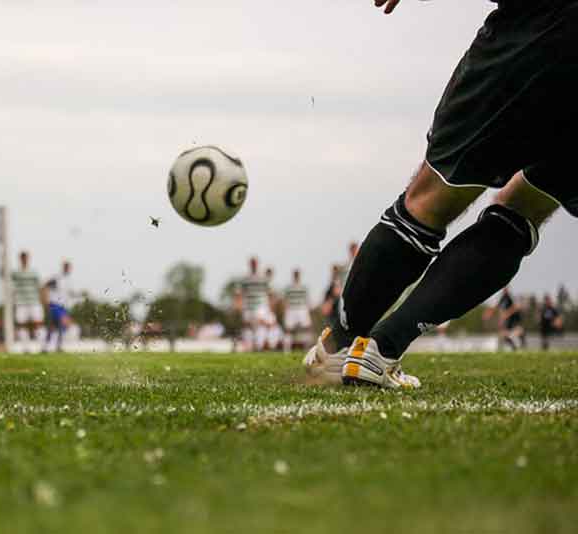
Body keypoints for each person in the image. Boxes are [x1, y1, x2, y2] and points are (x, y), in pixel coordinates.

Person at [305, 0, 577, 388]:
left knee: (428, 200)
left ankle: (339, 348)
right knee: (523, 210)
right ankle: (381, 350)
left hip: (541, 27)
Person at [233, 257, 271, 351]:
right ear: (250, 265)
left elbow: (268, 293)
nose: (254, 265)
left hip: (260, 306)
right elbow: (240, 293)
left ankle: (259, 345)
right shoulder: (245, 279)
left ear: (257, 264)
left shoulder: (262, 278)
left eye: (255, 263)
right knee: (248, 325)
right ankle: (249, 345)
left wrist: (269, 306)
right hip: (248, 306)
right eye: (252, 263)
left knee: (259, 324)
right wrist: (238, 304)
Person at [10, 251, 44, 352]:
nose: (24, 259)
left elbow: (40, 287)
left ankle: (43, 346)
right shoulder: (15, 273)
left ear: (28, 259)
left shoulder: (34, 272)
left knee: (38, 323)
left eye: (25, 257)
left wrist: (43, 300)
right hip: (21, 302)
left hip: (34, 301)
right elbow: (8, 280)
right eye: (22, 258)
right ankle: (25, 348)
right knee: (22, 324)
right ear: (20, 259)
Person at [45, 260, 78, 352]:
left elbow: (68, 293)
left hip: (63, 306)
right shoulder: (57, 277)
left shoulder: (69, 279)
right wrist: (46, 300)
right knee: (62, 323)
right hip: (55, 305)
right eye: (66, 266)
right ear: (63, 267)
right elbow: (45, 285)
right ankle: (48, 346)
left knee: (56, 327)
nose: (67, 268)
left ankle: (55, 346)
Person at [283, 269, 313, 352]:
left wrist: (308, 310)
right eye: (295, 274)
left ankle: (307, 349)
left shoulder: (304, 288)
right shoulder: (288, 288)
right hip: (291, 309)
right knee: (288, 329)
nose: (296, 276)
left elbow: (307, 300)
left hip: (302, 308)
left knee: (307, 328)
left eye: (297, 274)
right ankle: (287, 350)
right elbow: (286, 300)